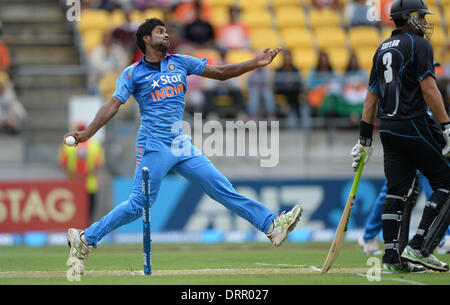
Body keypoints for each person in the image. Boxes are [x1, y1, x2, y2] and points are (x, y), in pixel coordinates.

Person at [64, 18, 302, 275]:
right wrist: (88, 133)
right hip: (153, 145)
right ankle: (85, 238)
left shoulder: (181, 62)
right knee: (137, 205)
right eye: (160, 32)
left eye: (167, 31)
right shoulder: (133, 73)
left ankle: (270, 225)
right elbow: (113, 104)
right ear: (146, 39)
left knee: (220, 187)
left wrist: (255, 63)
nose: (166, 35)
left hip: (181, 143)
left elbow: (221, 73)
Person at [351, 0, 450, 273]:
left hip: (388, 130)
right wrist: (447, 125)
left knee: (398, 192)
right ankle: (420, 246)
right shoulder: (419, 45)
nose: (425, 21)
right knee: (447, 180)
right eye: (421, 16)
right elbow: (429, 88)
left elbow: (370, 99)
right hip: (414, 123)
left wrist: (364, 141)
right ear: (410, 18)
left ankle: (393, 258)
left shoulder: (381, 48)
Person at [58, 122, 105, 224]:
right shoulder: (95, 145)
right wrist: (85, 175)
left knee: (73, 213)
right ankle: (87, 233)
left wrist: (75, 175)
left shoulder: (67, 146)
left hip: (73, 184)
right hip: (90, 184)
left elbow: (62, 163)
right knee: (89, 214)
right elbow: (98, 164)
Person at [273, 49, 303, 125]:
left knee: (294, 95)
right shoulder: (278, 70)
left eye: (289, 58)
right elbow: (276, 85)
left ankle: (287, 104)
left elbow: (299, 85)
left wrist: (292, 84)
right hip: (282, 93)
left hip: (293, 93)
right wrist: (285, 84)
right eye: (286, 58)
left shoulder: (296, 70)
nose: (287, 60)